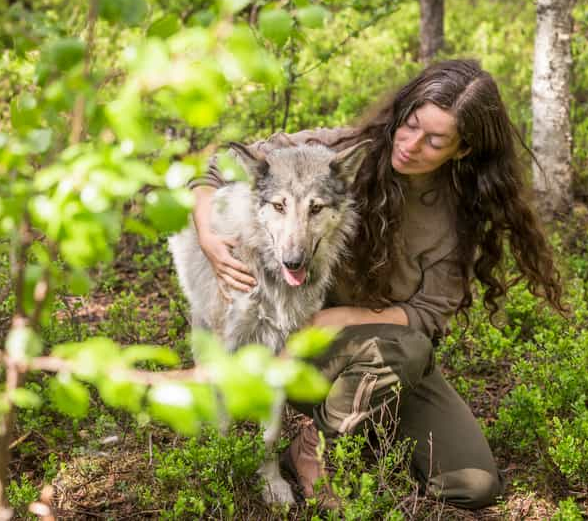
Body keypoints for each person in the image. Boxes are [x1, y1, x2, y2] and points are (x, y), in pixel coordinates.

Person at [188, 59, 565, 509]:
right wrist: (209, 236)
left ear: (462, 150)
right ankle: (318, 453)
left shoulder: (460, 213)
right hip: (290, 348)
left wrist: (337, 317)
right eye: (410, 125)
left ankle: (349, 424)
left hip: (379, 355)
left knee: (473, 483)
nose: (410, 145)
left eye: (435, 140)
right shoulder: (337, 153)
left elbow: (427, 315)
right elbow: (218, 168)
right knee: (403, 349)